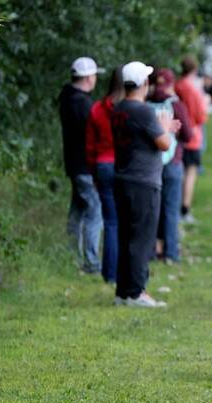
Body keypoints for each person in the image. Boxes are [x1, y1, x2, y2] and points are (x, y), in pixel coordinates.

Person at [111, 61, 180, 308]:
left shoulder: (118, 108)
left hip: (122, 178)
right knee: (142, 238)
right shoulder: (143, 111)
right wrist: (166, 129)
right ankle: (136, 292)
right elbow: (164, 144)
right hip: (144, 181)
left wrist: (164, 129)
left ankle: (123, 291)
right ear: (144, 83)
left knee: (126, 236)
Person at [59, 56, 104, 275]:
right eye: (94, 75)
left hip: (74, 165)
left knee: (77, 210)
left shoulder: (67, 98)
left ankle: (70, 256)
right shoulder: (83, 104)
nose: (95, 79)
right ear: (88, 78)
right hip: (85, 166)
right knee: (95, 210)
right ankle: (92, 262)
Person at [147, 68, 193, 263]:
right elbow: (188, 134)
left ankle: (151, 250)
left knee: (152, 209)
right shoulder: (176, 105)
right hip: (173, 161)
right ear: (170, 83)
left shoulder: (145, 104)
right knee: (171, 209)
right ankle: (171, 252)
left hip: (150, 164)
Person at [85, 64, 122, 283]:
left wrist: (93, 172)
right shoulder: (129, 109)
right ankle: (123, 271)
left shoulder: (98, 109)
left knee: (110, 222)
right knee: (125, 221)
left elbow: (90, 145)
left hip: (102, 165)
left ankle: (109, 273)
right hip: (123, 166)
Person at [174, 56, 209, 224]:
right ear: (194, 69)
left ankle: (175, 206)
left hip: (176, 134)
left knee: (180, 170)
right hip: (192, 137)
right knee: (190, 173)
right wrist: (206, 101)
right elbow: (201, 116)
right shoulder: (192, 89)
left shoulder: (176, 85)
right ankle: (185, 210)